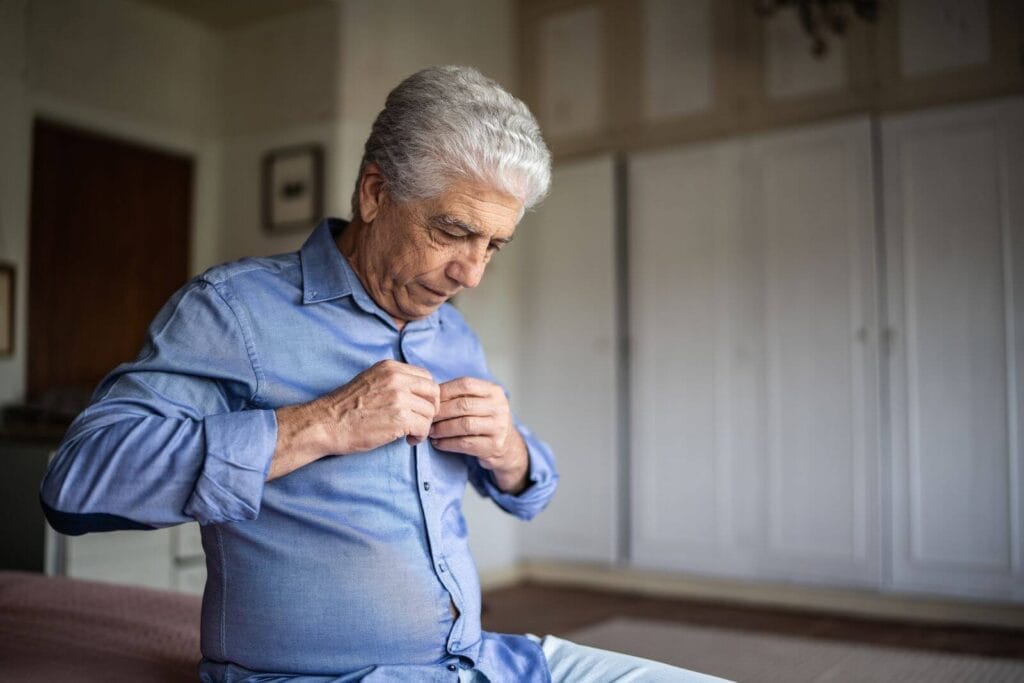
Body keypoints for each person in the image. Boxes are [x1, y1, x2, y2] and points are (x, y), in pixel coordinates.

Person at [40, 66, 728, 683]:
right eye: (454, 231)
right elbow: (75, 482)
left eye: (494, 245)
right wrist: (320, 423)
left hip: (485, 664)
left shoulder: (451, 330)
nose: (473, 274)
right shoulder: (233, 311)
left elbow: (528, 492)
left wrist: (512, 451)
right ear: (375, 192)